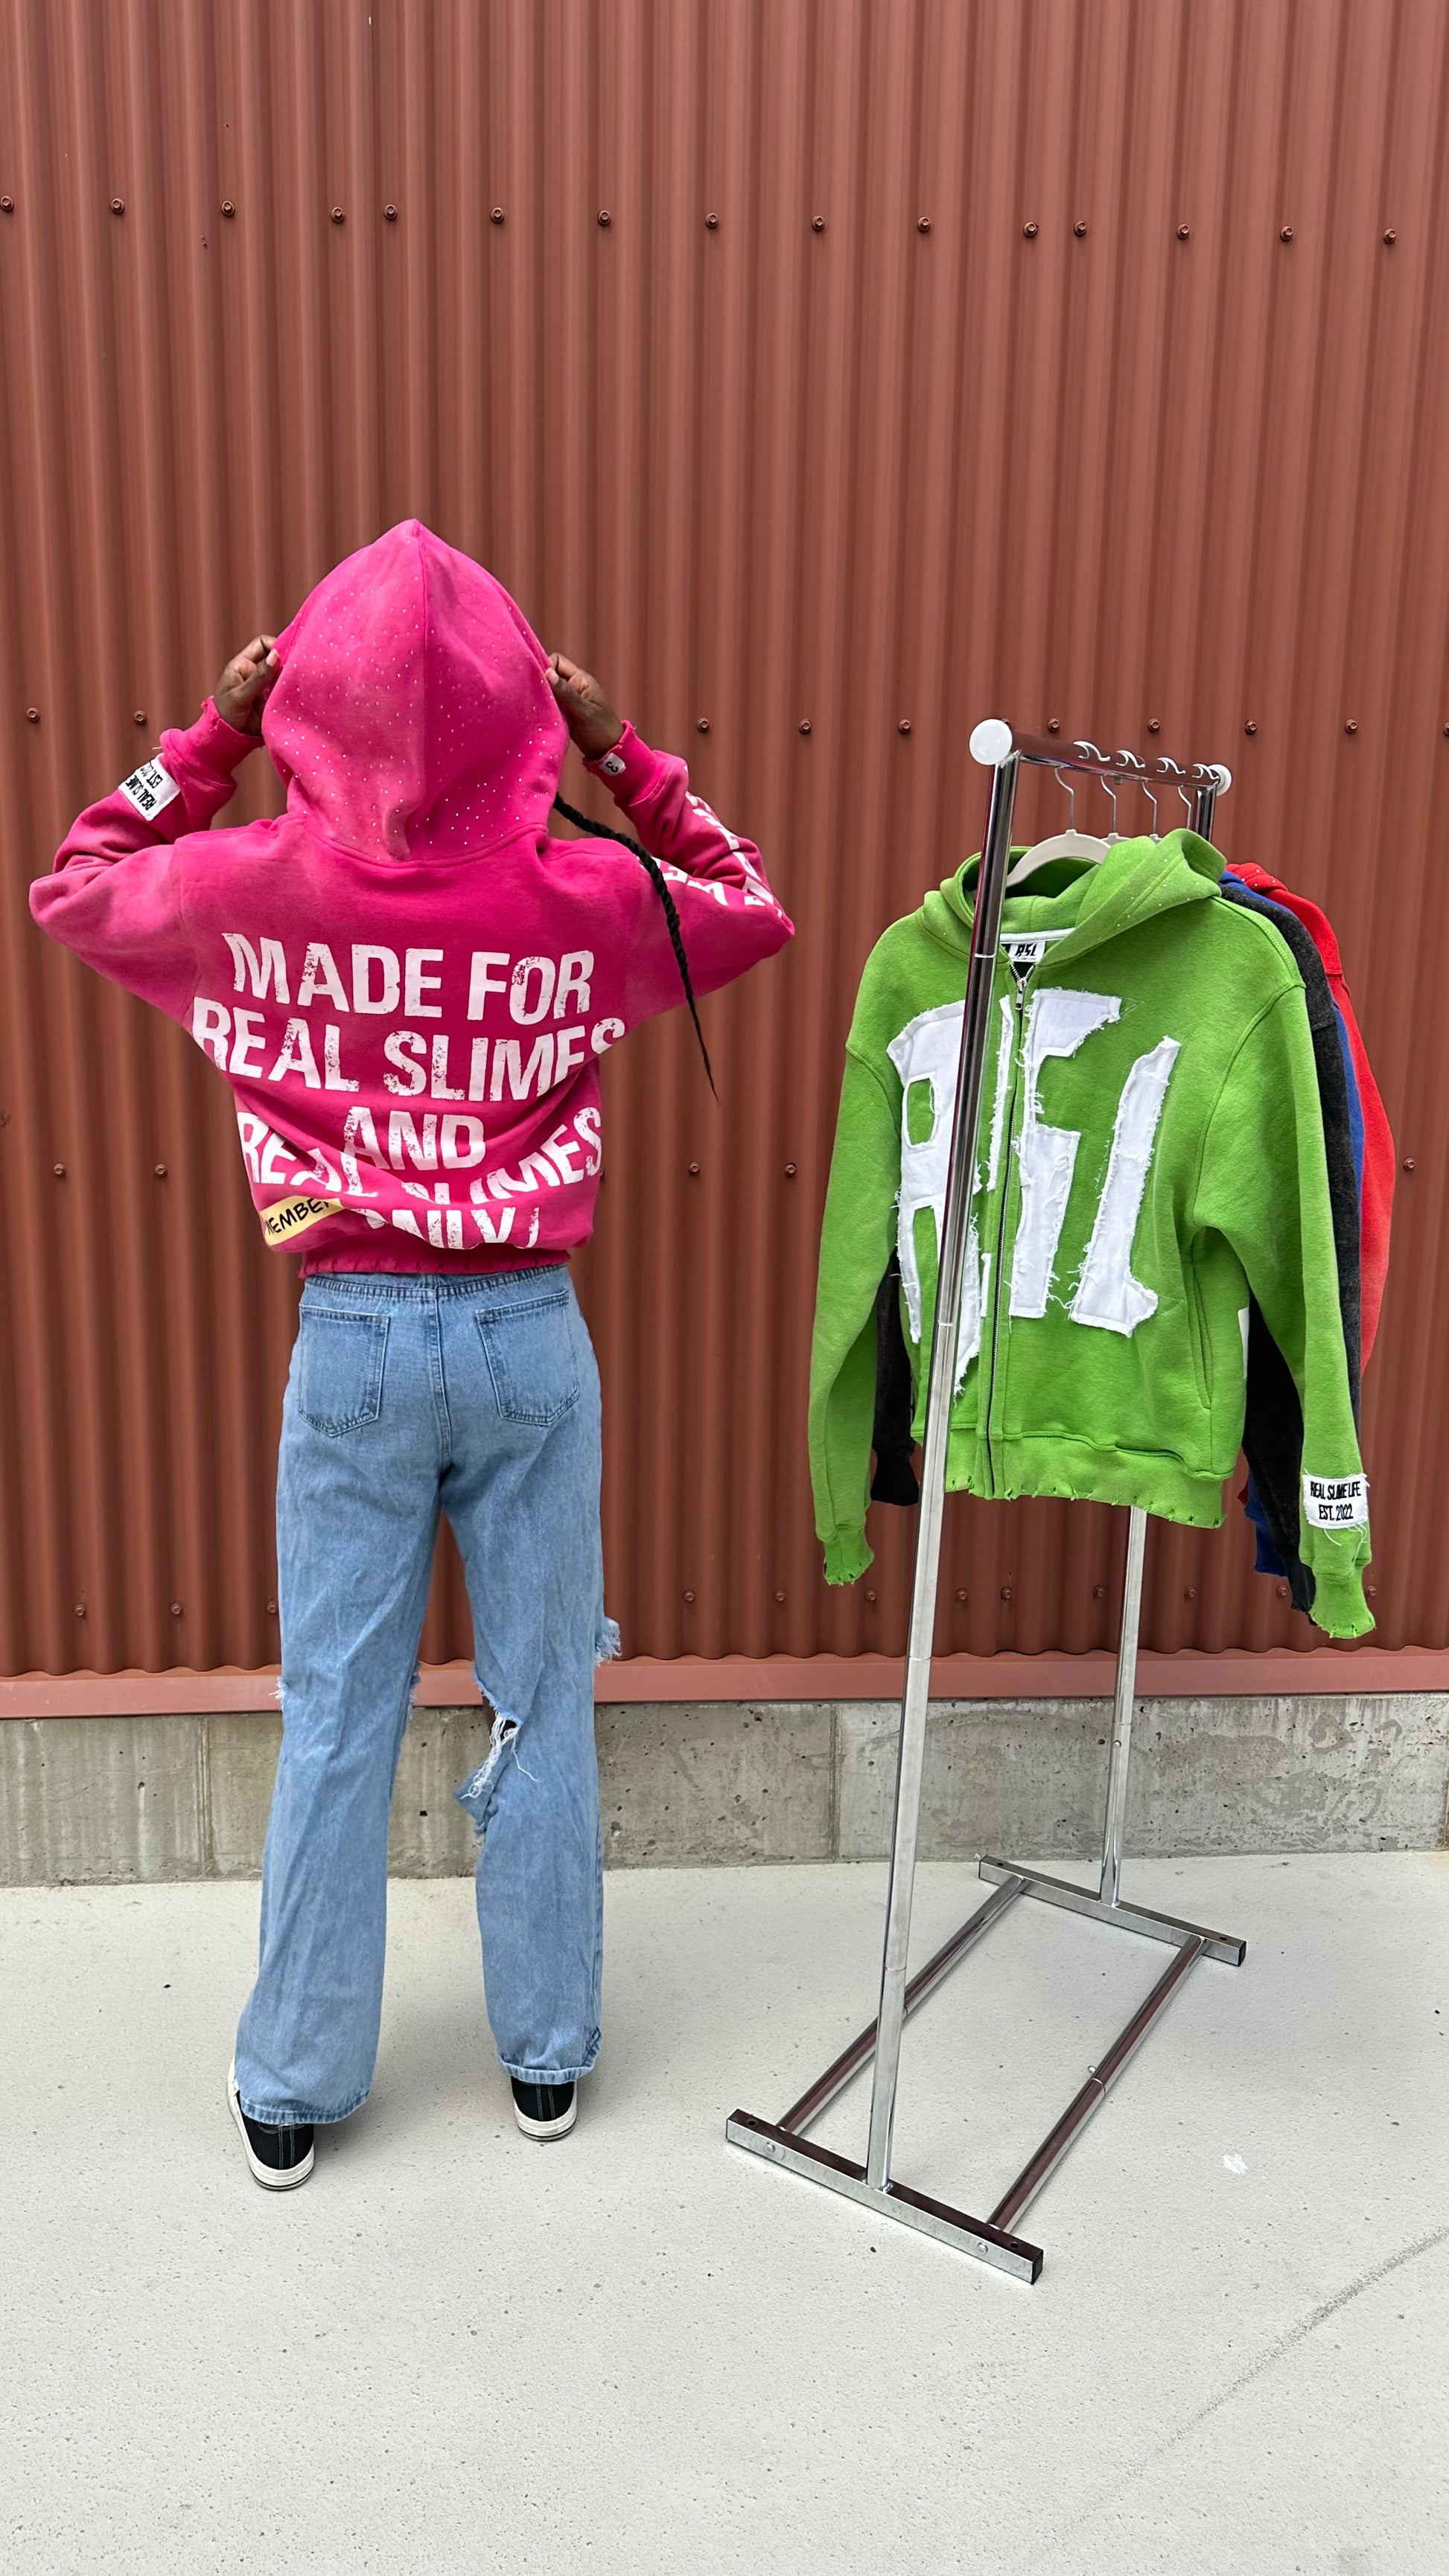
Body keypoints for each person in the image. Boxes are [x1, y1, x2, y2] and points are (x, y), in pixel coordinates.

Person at [31, 520, 793, 2189]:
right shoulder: (584, 891)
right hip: (527, 1335)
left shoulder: (244, 884)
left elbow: (74, 880)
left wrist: (208, 740)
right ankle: (544, 2054)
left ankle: (295, 2081)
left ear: (309, 703)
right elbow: (748, 902)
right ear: (523, 718)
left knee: (334, 1715)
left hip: (354, 1339)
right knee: (543, 1701)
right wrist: (621, 753)